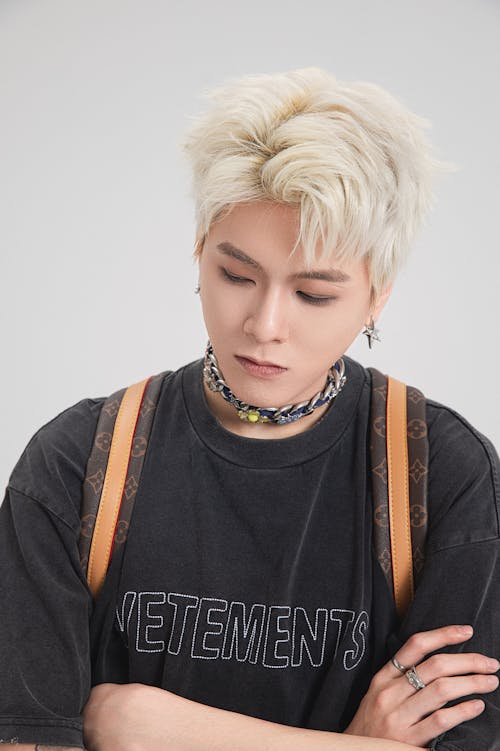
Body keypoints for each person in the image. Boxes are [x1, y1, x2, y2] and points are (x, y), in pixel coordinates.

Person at [0, 67, 499, 751]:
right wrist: (360, 743)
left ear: (377, 295)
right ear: (200, 250)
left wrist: (140, 725)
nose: (264, 325)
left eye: (315, 293)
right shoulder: (75, 465)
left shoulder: (441, 474)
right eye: (236, 275)